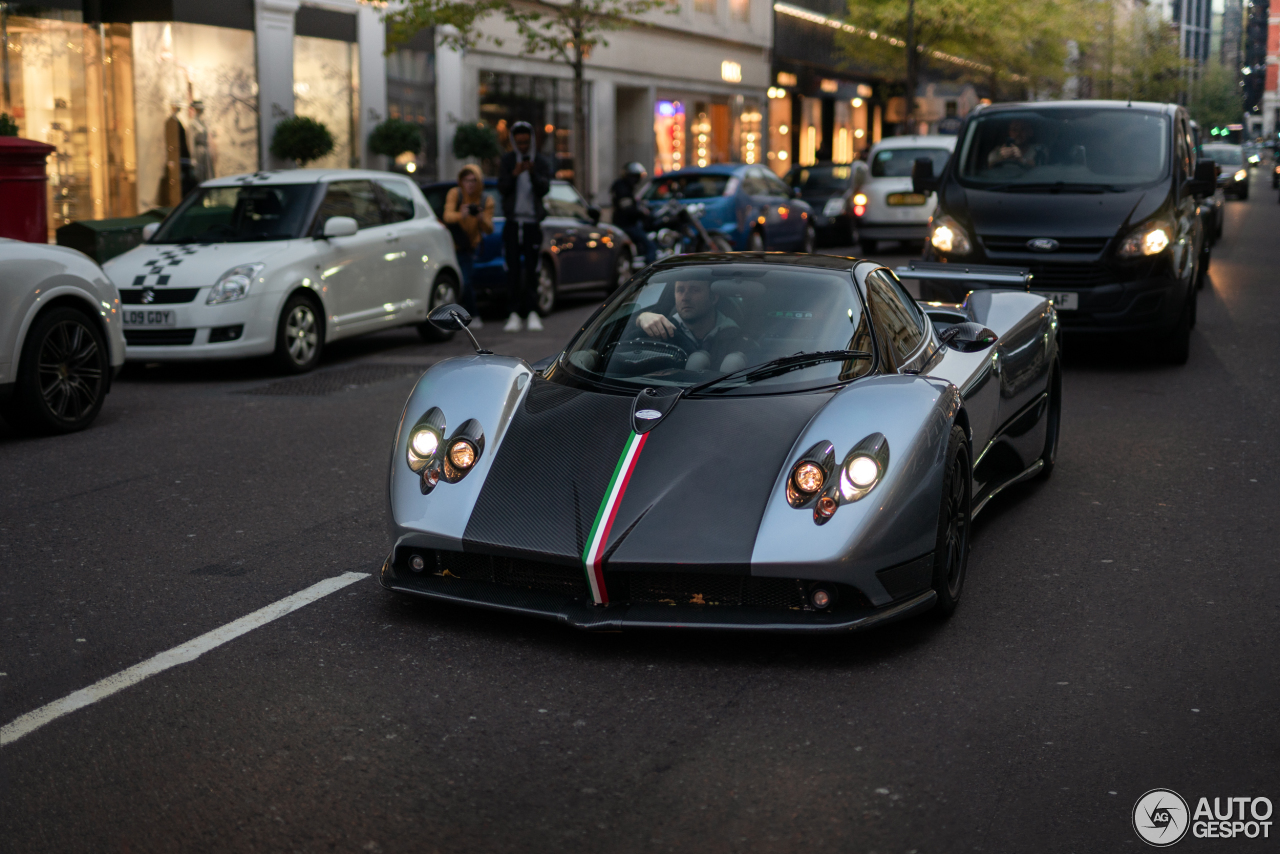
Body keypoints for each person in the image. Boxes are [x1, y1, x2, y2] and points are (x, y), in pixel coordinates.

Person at [496, 121, 552, 332]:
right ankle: (513, 313)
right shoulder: (508, 161)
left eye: (525, 143)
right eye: (518, 143)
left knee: (532, 269)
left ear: (531, 141)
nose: (522, 147)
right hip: (512, 223)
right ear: (513, 141)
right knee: (512, 268)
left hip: (532, 224)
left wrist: (532, 173)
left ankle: (532, 312)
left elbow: (545, 188)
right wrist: (515, 173)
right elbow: (501, 187)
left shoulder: (540, 161)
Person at [633, 278, 750, 372]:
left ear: (713, 298)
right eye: (680, 290)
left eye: (694, 290)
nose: (685, 298)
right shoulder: (662, 330)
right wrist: (641, 318)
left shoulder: (737, 338)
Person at [443, 164, 495, 327]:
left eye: (473, 180)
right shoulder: (455, 193)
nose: (470, 184)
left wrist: (480, 217)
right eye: (466, 180)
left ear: (479, 181)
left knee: (465, 281)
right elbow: (447, 216)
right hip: (451, 245)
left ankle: (471, 315)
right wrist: (461, 214)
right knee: (453, 281)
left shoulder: (486, 200)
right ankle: (461, 315)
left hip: (469, 247)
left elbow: (489, 228)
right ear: (461, 181)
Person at [610, 161, 656, 264]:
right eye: (635, 177)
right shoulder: (622, 188)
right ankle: (650, 269)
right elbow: (627, 209)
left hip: (625, 222)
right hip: (626, 224)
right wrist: (642, 212)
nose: (637, 180)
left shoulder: (624, 187)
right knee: (650, 246)